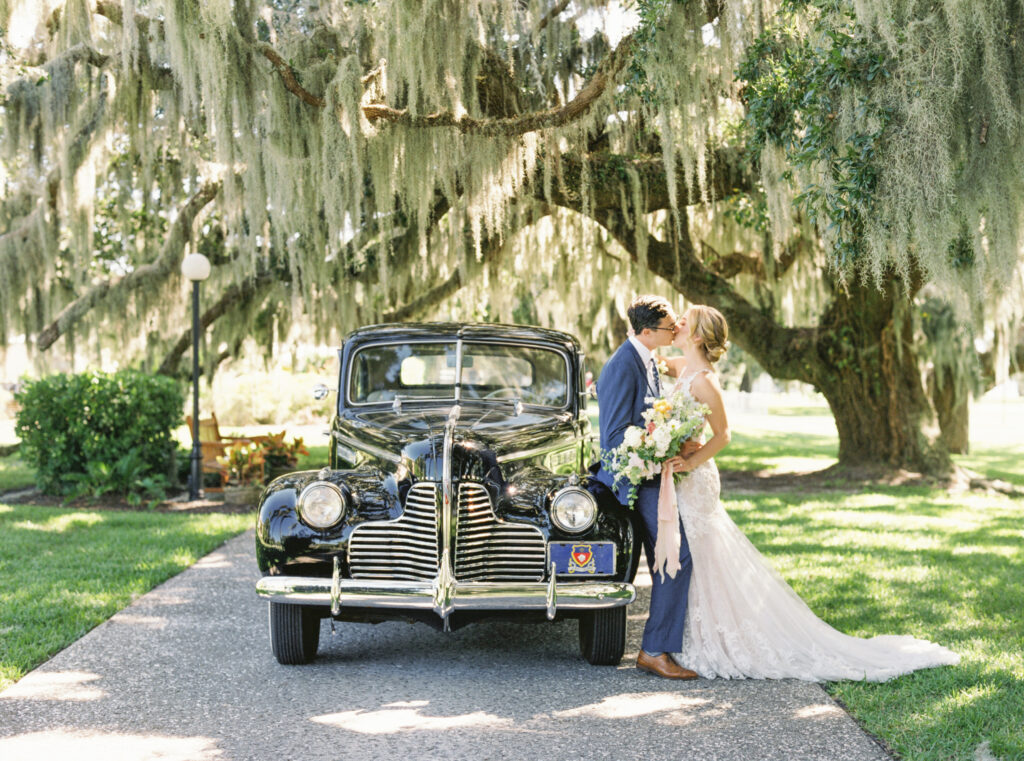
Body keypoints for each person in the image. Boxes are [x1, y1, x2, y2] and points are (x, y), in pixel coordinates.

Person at [660, 305, 960, 680]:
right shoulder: (676, 366)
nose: (677, 324)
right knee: (692, 555)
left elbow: (723, 435)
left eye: (684, 320)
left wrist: (690, 461)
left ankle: (712, 640)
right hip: (680, 478)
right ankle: (689, 635)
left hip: (698, 478)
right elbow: (651, 362)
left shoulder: (705, 381)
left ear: (699, 336)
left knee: (704, 556)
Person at [594, 295, 699, 680]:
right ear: (648, 331)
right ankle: (654, 651)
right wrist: (663, 444)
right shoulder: (623, 365)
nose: (675, 331)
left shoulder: (647, 357)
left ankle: (658, 647)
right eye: (670, 327)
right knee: (676, 557)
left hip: (652, 473)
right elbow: (615, 436)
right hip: (634, 481)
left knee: (668, 560)